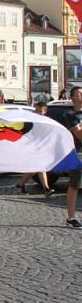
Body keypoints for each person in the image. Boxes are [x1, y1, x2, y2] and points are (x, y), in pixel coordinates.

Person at [63, 86, 82, 229]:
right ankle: (71, 218)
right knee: (75, 185)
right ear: (73, 97)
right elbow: (79, 134)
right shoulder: (70, 115)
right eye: (80, 94)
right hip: (78, 154)